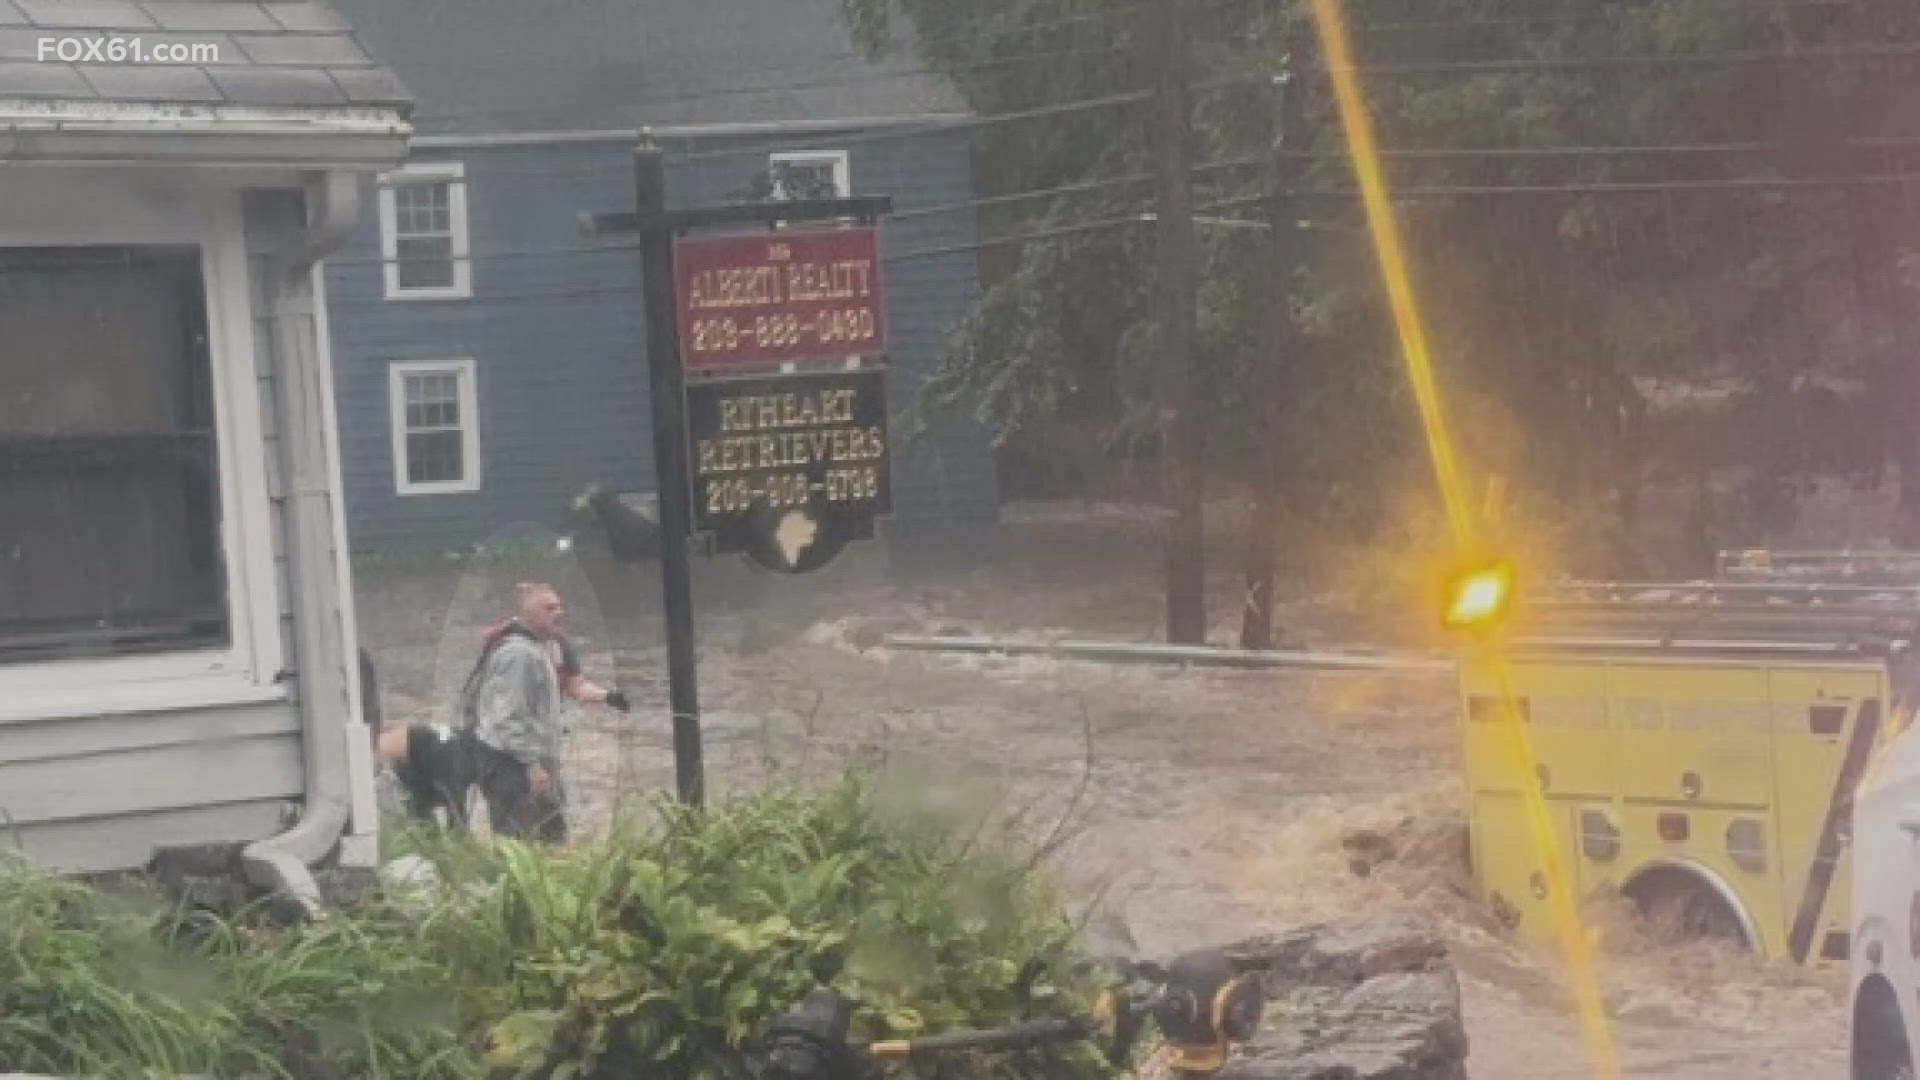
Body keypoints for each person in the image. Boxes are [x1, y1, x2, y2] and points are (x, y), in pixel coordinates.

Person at [374, 582, 628, 837]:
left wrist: (606, 697)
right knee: (518, 838)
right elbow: (508, 717)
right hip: (512, 762)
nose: (559, 612)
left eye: (559, 606)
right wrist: (531, 766)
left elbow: (576, 685)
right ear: (529, 614)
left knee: (553, 831)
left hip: (531, 758)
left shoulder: (549, 646)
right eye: (549, 608)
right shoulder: (519, 655)